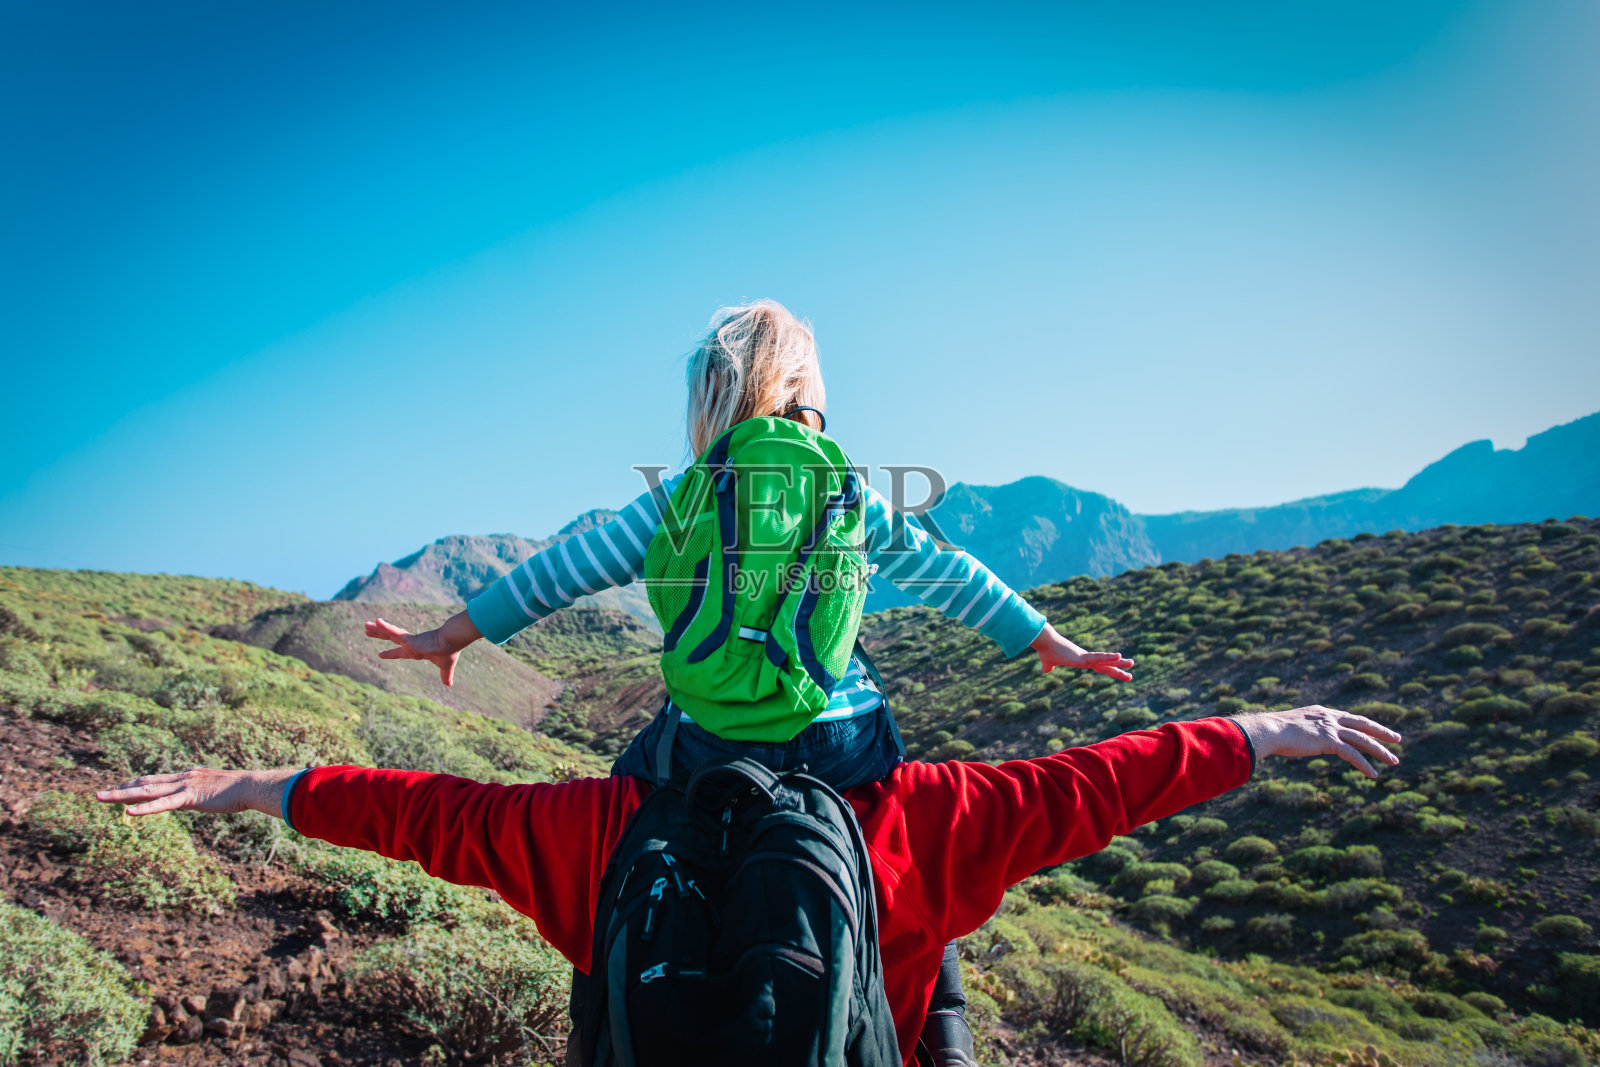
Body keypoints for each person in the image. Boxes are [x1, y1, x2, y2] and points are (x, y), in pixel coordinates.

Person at [361, 300, 1135, 1062]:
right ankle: (943, 1027)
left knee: (622, 826)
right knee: (909, 833)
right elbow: (949, 574)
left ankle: (597, 1018)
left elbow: (558, 574)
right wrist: (1043, 638)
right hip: (842, 742)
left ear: (711, 402)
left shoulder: (683, 495)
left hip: (707, 745)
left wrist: (448, 634)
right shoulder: (848, 493)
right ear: (809, 398)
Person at [95, 707, 1402, 1066]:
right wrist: (1255, 729)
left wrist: (253, 784)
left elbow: (428, 811)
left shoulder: (591, 824)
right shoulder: (919, 815)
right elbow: (1091, 782)